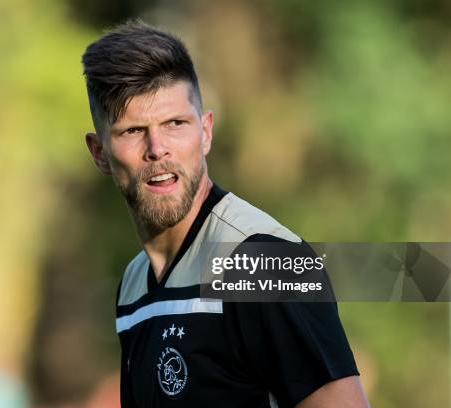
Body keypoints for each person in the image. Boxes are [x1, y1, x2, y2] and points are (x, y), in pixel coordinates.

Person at [81, 20, 370, 408]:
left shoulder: (264, 262)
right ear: (99, 152)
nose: (157, 148)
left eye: (175, 124)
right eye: (133, 131)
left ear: (206, 132)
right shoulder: (133, 284)